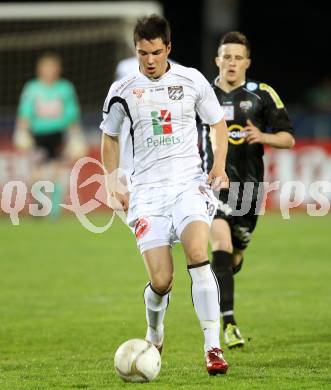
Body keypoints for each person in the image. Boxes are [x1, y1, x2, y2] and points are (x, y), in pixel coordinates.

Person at [100, 15, 230, 375]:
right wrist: (112, 178)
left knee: (198, 254)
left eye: (156, 52)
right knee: (161, 281)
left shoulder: (191, 80)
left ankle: (213, 348)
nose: (150, 60)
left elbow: (217, 122)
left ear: (168, 48)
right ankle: (155, 332)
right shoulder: (123, 90)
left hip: (188, 184)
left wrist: (218, 165)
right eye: (143, 53)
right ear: (136, 50)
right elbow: (109, 136)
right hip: (147, 193)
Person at [199, 31, 295, 348]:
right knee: (220, 244)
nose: (232, 62)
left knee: (234, 257)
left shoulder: (261, 95)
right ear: (217, 60)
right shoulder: (201, 93)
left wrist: (263, 137)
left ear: (247, 62)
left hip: (249, 192)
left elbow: (288, 138)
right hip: (211, 184)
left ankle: (222, 278)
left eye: (238, 57)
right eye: (226, 56)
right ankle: (227, 324)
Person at [13, 52, 86, 217]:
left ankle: (54, 211)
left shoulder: (65, 88)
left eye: (52, 68)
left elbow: (72, 114)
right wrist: (21, 132)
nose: (49, 71)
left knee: (56, 172)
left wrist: (76, 135)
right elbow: (24, 113)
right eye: (46, 68)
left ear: (58, 69)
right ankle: (39, 205)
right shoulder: (32, 88)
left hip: (58, 135)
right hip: (37, 136)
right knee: (36, 175)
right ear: (39, 69)